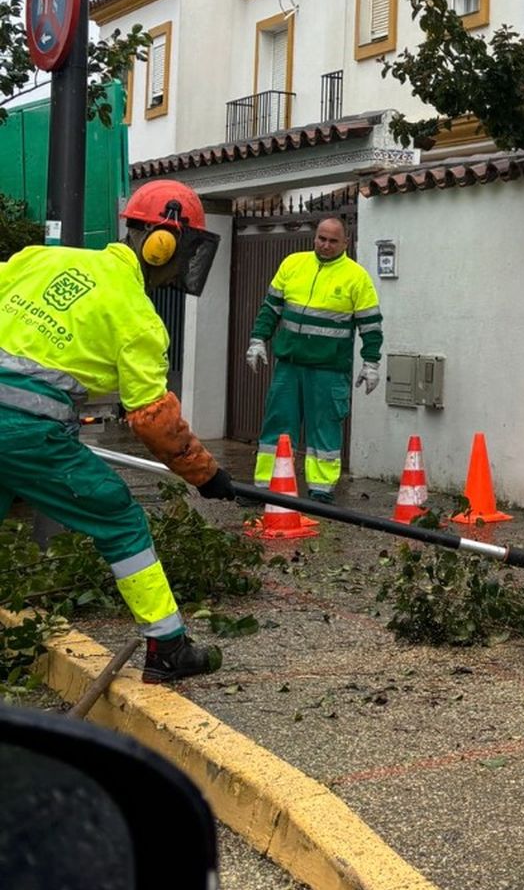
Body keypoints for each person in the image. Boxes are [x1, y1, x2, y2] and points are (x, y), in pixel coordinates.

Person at [0, 180, 234, 683]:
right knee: (119, 516)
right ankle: (168, 646)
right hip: (26, 433)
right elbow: (154, 419)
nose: (183, 264)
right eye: (187, 249)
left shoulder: (40, 259)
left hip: (18, 431)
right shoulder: (137, 316)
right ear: (162, 244)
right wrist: (206, 475)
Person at [246, 216, 382, 498]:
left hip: (329, 369)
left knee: (324, 430)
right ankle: (267, 488)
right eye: (322, 238)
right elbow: (271, 308)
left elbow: (371, 326)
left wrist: (371, 363)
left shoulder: (357, 277)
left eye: (333, 240)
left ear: (346, 243)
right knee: (277, 427)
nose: (326, 245)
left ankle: (320, 491)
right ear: (315, 237)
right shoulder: (293, 264)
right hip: (289, 366)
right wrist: (258, 339)